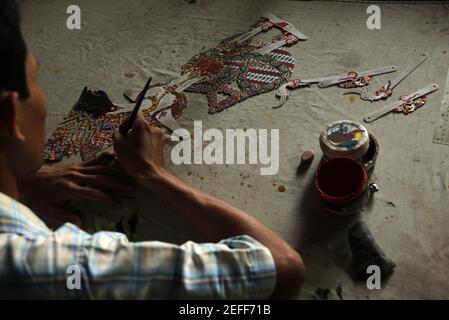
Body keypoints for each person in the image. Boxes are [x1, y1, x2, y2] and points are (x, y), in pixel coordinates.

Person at [0, 0, 305, 299]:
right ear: (9, 116)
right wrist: (154, 173)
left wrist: (19, 177)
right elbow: (281, 269)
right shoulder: (62, 269)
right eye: (36, 77)